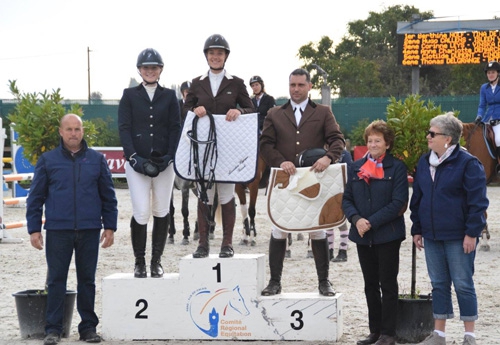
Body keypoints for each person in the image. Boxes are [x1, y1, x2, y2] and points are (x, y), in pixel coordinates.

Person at [27, 114, 118, 345]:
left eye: (77, 129)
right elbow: (35, 198)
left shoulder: (97, 160)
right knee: (57, 280)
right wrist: (34, 229)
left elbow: (108, 196)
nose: (73, 133)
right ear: (60, 132)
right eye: (69, 129)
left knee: (87, 280)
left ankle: (88, 328)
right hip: (58, 229)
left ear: (83, 131)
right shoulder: (48, 160)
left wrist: (110, 226)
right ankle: (53, 329)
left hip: (89, 229)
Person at [259, 68, 344, 296]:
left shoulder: (324, 112)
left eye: (300, 85)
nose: (296, 89)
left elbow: (337, 140)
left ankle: (324, 281)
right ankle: (275, 281)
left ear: (309, 87)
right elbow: (265, 144)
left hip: (313, 179)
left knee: (317, 231)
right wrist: (280, 162)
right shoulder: (274, 113)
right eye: (292, 85)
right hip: (284, 179)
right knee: (279, 229)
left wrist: (328, 157)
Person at [410, 113, 488, 345]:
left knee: (463, 283)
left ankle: (469, 336)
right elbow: (418, 198)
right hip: (432, 236)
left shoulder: (469, 163)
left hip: (458, 236)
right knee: (439, 284)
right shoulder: (425, 162)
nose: (428, 137)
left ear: (448, 139)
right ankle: (439, 335)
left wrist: (472, 233)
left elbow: (478, 202)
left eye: (432, 133)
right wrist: (417, 228)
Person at [183, 33, 255, 259]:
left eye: (219, 53)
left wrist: (239, 111)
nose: (216, 57)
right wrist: (195, 110)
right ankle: (203, 243)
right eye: (212, 53)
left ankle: (227, 243)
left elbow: (251, 109)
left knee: (226, 195)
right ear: (207, 56)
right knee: (204, 194)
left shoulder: (237, 83)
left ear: (225, 56)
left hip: (228, 146)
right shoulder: (196, 83)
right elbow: (185, 110)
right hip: (204, 147)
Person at [342, 120, 409, 345]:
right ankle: (375, 330)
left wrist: (370, 221)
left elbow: (398, 202)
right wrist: (357, 219)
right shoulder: (355, 167)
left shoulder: (397, 168)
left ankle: (388, 333)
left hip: (387, 235)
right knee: (370, 284)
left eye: (377, 141)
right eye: (370, 140)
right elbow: (347, 199)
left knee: (387, 284)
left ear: (387, 144)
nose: (372, 144)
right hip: (363, 235)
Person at [118, 48, 181, 278]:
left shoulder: (169, 96)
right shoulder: (129, 95)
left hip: (164, 162)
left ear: (160, 70)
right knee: (142, 211)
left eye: (154, 67)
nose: (150, 71)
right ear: (140, 70)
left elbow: (175, 127)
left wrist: (169, 157)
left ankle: (156, 261)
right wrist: (134, 159)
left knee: (161, 210)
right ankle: (139, 262)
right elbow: (124, 128)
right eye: (146, 67)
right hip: (138, 163)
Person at [168, 80, 193, 245]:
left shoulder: (195, 106)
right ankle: (170, 228)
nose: (187, 93)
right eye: (185, 91)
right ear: (182, 92)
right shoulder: (177, 105)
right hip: (178, 139)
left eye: (189, 91)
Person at [327, 147, 353, 262]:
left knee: (341, 221)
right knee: (328, 222)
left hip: (341, 189)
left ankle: (343, 251)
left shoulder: (344, 154)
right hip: (328, 190)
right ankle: (329, 251)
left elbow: (348, 171)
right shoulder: (324, 154)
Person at [475, 61, 500, 162]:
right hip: (487, 119)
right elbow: (482, 105)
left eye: (493, 72)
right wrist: (479, 116)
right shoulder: (484, 88)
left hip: (499, 120)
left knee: (498, 139)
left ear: (498, 73)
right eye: (488, 73)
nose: (490, 75)